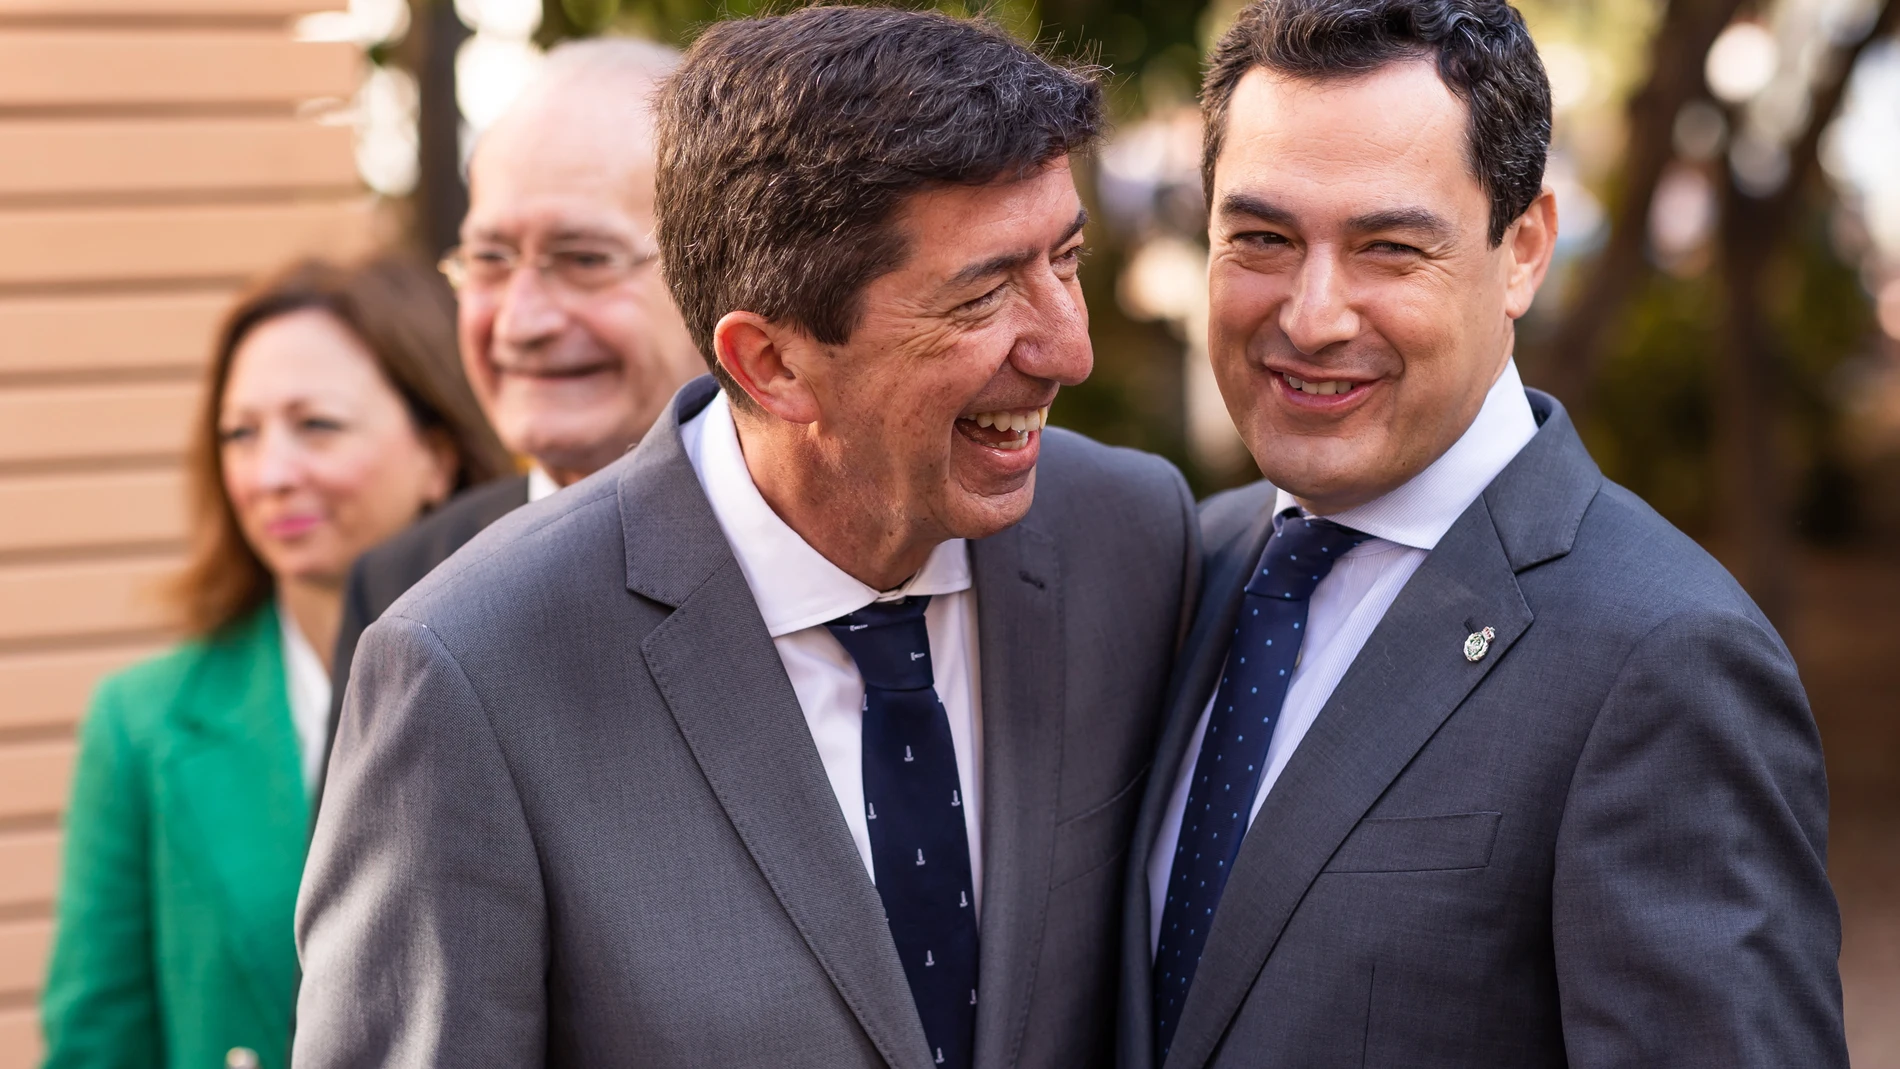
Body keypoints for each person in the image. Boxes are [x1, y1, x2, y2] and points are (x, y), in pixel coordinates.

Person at [295, 8, 1197, 1068]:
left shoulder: (1130, 539)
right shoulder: (470, 671)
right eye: (985, 291)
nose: (1068, 345)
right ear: (769, 364)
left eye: (1067, 257)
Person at [1118, 0, 1846, 1065]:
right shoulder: (1184, 564)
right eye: (1262, 238)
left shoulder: (1665, 659)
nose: (1311, 314)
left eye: (1387, 247)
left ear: (1523, 250)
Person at [41, 255, 511, 1069]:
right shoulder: (142, 722)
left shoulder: (533, 677)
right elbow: (95, 1042)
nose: (271, 474)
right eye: (240, 433)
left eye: (317, 425)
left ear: (438, 456)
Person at [321, 37, 704, 795]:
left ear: (719, 268)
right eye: (490, 260)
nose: (520, 321)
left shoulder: (819, 552)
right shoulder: (405, 584)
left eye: (585, 258)